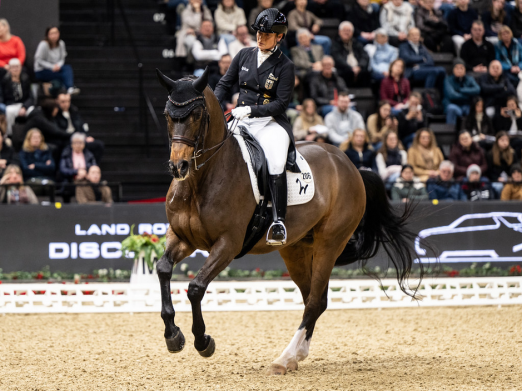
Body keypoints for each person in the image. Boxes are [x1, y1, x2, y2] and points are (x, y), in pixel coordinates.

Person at [214, 8, 295, 245]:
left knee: (277, 161)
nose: (260, 37)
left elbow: (280, 104)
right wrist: (214, 105)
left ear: (279, 36)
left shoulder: (285, 66)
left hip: (270, 122)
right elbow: (224, 83)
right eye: (259, 33)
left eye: (267, 34)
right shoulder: (243, 55)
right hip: (240, 119)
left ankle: (278, 221)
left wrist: (250, 110)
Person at [55, 91, 104, 163]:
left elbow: (82, 125)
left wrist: (86, 136)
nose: (66, 104)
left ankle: (92, 168)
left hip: (80, 139)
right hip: (66, 140)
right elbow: (57, 131)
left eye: (68, 101)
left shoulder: (74, 111)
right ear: (57, 101)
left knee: (99, 145)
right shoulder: (55, 113)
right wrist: (74, 137)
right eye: (63, 102)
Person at [34, 26, 79, 95]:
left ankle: (69, 88)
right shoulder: (43, 45)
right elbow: (38, 60)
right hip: (42, 70)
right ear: (47, 35)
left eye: (55, 33)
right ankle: (69, 88)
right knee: (64, 76)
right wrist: (52, 67)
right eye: (51, 33)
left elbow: (62, 58)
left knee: (67, 68)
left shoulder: (61, 44)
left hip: (56, 69)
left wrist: (58, 66)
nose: (54, 36)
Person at [0, 58, 33, 136]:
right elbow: (1, 96)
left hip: (23, 105)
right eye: (13, 67)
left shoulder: (26, 79)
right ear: (9, 69)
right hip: (10, 105)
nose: (15, 69)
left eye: (17, 67)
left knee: (34, 111)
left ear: (21, 68)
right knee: (8, 111)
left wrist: (24, 107)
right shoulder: (5, 80)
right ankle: (8, 135)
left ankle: (30, 134)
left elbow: (31, 97)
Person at [331, 22, 370, 87]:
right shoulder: (335, 44)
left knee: (366, 73)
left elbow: (364, 56)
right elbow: (337, 58)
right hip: (344, 68)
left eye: (349, 31)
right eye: (344, 30)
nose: (346, 32)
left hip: (358, 68)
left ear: (352, 33)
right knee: (347, 73)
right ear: (339, 32)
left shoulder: (356, 43)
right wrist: (350, 68)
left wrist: (359, 66)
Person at [443, 58, 481, 125]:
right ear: (453, 70)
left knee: (473, 109)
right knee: (451, 109)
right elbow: (452, 95)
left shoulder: (469, 79)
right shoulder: (448, 80)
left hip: (466, 105)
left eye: (461, 68)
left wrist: (461, 90)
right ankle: (451, 133)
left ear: (465, 69)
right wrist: (468, 95)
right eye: (457, 68)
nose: (459, 70)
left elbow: (477, 89)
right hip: (453, 104)